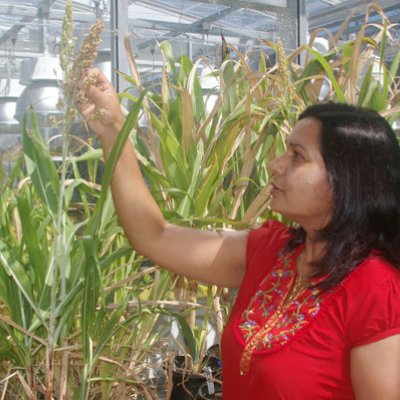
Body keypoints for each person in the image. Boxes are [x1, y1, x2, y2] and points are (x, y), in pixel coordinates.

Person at [78, 68, 400, 399]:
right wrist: (113, 129)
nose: (276, 164)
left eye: (297, 156)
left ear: (346, 180)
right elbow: (153, 236)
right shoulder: (273, 252)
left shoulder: (377, 289)